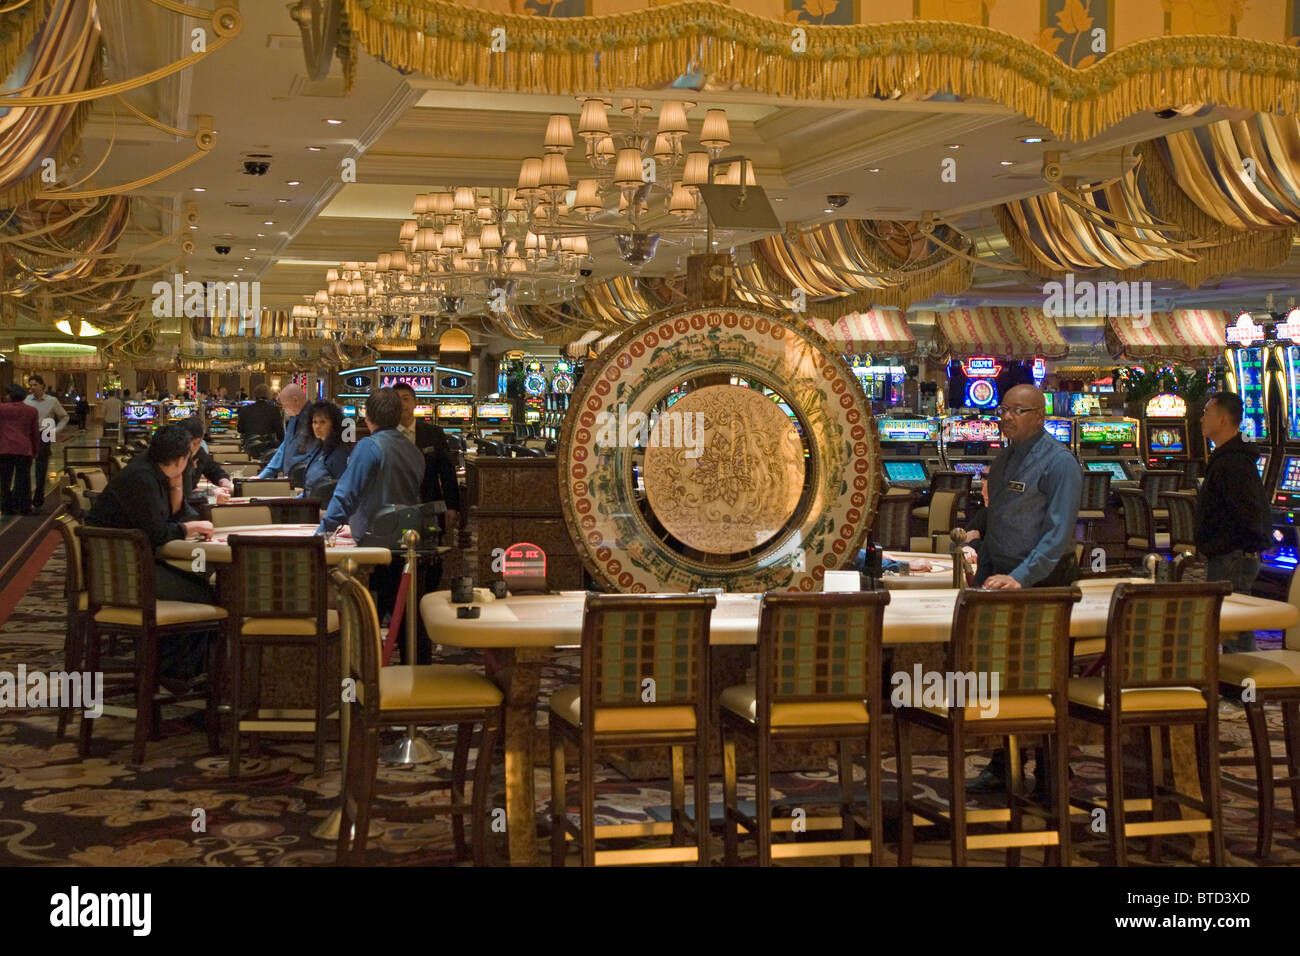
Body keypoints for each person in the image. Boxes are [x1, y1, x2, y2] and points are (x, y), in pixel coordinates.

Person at [960, 383, 1081, 794]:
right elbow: (998, 523)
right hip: (1004, 580)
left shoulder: (1060, 464)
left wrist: (1023, 577)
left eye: (1017, 410)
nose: (1006, 416)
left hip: (1043, 582)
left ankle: (1052, 771)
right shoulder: (1005, 458)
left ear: (1040, 417)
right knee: (1006, 676)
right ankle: (1006, 760)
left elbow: (1058, 535)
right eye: (1003, 409)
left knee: (1043, 677)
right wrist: (980, 570)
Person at [85, 424, 217, 681]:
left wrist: (177, 484)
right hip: (118, 572)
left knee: (201, 580)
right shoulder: (141, 479)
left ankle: (178, 666)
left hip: (130, 562)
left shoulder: (151, 470)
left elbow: (169, 517)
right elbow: (158, 534)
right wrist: (190, 527)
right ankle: (172, 670)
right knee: (205, 595)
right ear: (181, 459)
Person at [1197, 391, 1273, 653]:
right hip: (1228, 553)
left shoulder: (1234, 463)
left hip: (1233, 555)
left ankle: (1243, 687)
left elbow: (1248, 512)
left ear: (1223, 420)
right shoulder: (1228, 458)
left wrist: (1239, 547)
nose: (1201, 419)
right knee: (1227, 626)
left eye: (1207, 412)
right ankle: (1236, 685)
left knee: (1235, 628)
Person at [316, 388, 424, 544]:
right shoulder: (414, 450)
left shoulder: (368, 446)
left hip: (374, 538)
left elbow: (345, 495)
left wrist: (321, 535)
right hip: (406, 538)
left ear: (367, 417)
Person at [391, 382, 461, 534]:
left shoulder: (434, 433)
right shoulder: (385, 435)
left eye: (406, 398)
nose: (402, 404)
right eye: (396, 400)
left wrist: (452, 506)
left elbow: (447, 472)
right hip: (395, 508)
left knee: (431, 550)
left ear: (416, 402)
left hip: (430, 504)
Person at [24, 375, 68, 509]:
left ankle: (38, 498)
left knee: (41, 468)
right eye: (30, 385)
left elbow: (64, 417)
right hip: (29, 435)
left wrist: (55, 431)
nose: (32, 388)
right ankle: (25, 498)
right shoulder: (27, 400)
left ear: (42, 385)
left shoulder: (52, 401)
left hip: (45, 434)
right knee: (25, 467)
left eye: (35, 385)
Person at [298, 400, 351, 500]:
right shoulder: (318, 448)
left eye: (323, 422)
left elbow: (343, 492)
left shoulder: (339, 453)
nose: (317, 427)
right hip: (310, 507)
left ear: (334, 424)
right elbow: (310, 489)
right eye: (315, 422)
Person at [257, 383, 312, 479]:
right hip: (291, 477)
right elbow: (284, 448)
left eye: (285, 405)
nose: (283, 408)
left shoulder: (315, 418)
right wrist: (262, 476)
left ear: (295, 400)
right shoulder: (294, 417)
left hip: (306, 476)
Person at [0, 385, 40, 515]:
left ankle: (6, 507)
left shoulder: (2, 409)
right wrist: (35, 450)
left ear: (10, 396)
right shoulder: (32, 411)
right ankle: (24, 507)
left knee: (5, 479)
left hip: (5, 449)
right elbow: (34, 433)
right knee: (23, 479)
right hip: (24, 448)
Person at [179, 417, 232, 504]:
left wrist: (222, 479)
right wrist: (210, 494)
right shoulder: (174, 458)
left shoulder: (199, 452)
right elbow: (181, 498)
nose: (195, 466)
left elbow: (212, 468)